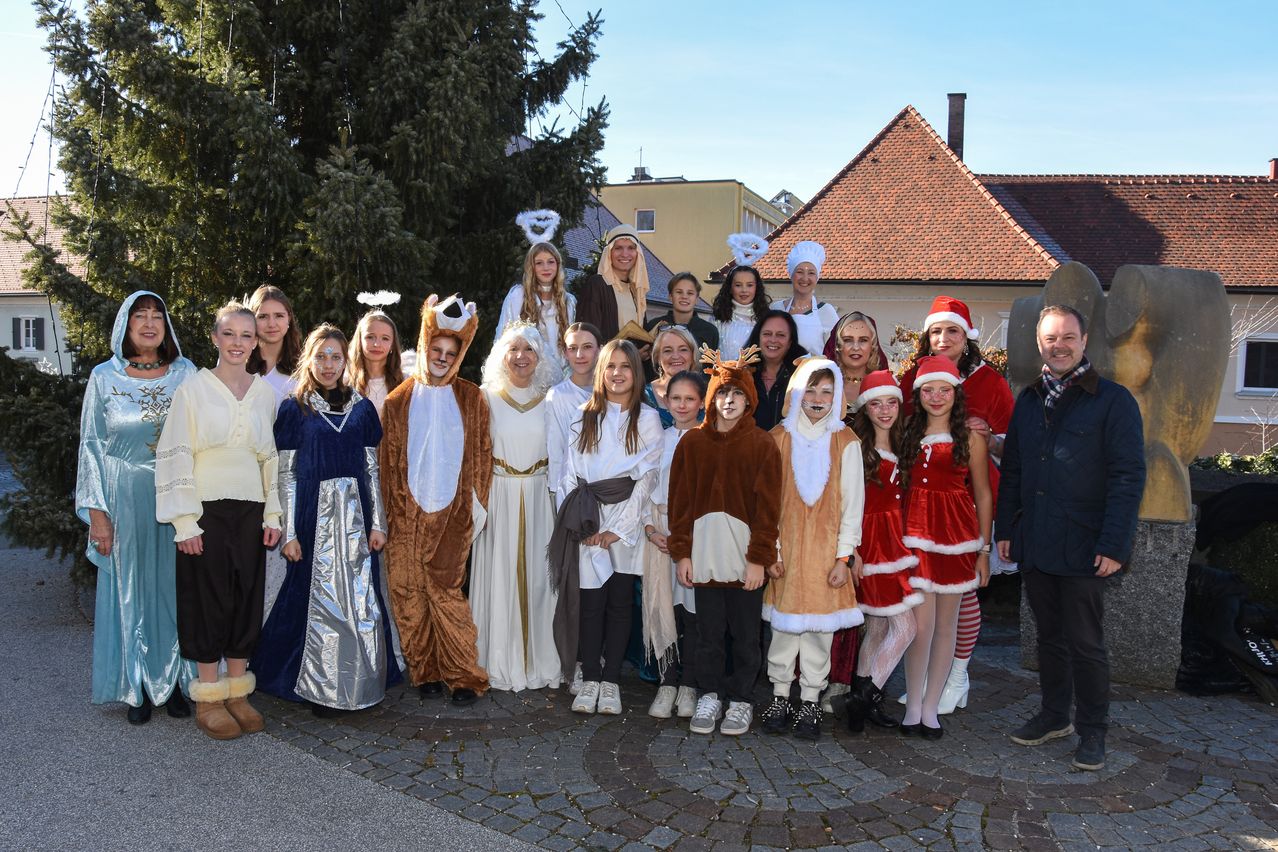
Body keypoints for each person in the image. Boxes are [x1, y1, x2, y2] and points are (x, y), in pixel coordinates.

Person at [1000, 305, 1145, 772]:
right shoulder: (1028, 398)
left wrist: (1114, 543)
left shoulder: (1113, 400)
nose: (1057, 346)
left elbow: (1127, 476)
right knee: (1049, 638)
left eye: (1067, 337)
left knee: (1086, 643)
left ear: (1084, 341)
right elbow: (1015, 471)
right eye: (1049, 339)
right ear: (1038, 344)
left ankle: (1094, 731)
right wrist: (1007, 530)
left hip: (1086, 545)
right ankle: (1053, 715)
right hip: (1038, 539)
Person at [252, 325, 400, 715]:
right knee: (312, 600)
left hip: (355, 518)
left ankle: (359, 677)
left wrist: (378, 523)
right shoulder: (294, 410)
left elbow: (371, 470)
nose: (329, 365)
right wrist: (290, 533)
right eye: (321, 356)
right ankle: (317, 683)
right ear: (309, 360)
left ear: (345, 360)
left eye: (336, 357)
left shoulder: (363, 409)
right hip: (312, 518)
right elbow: (286, 474)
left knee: (361, 600)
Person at [155, 301, 282, 740]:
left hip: (250, 509)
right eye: (229, 334)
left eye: (247, 336)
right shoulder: (193, 389)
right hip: (205, 508)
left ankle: (238, 692)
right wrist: (185, 522)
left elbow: (270, 459)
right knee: (206, 598)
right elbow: (174, 454)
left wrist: (273, 511)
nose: (238, 343)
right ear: (214, 338)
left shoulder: (264, 393)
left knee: (245, 597)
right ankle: (209, 696)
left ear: (256, 341)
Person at [76, 291, 198, 725]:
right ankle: (138, 686)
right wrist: (97, 513)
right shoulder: (103, 378)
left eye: (157, 317)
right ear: (125, 326)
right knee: (130, 592)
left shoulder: (186, 374)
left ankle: (179, 683)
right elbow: (91, 445)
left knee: (176, 589)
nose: (149, 324)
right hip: (123, 496)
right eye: (139, 317)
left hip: (178, 495)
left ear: (167, 327)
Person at [899, 295, 1014, 714]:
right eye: (936, 330)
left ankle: (956, 676)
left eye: (952, 331)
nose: (943, 338)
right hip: (921, 516)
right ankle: (928, 683)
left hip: (966, 512)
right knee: (926, 610)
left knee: (962, 601)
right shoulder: (914, 379)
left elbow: (1013, 443)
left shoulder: (990, 383)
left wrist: (988, 436)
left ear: (967, 337)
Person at [380, 294, 493, 707]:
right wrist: (390, 516)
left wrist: (475, 510)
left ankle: (464, 674)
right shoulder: (397, 401)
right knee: (407, 593)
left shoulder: (471, 397)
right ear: (425, 346)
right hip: (406, 514)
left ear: (461, 353)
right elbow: (388, 463)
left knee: (446, 593)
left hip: (453, 513)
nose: (443, 358)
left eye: (452, 351)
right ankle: (423, 668)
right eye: (436, 349)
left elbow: (481, 457)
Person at [668, 345, 782, 737]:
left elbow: (769, 511)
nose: (728, 401)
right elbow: (679, 506)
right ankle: (710, 693)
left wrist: (759, 559)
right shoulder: (692, 445)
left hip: (744, 559)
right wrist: (682, 553)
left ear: (749, 398)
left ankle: (741, 700)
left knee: (747, 636)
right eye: (721, 393)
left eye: (736, 394)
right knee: (707, 632)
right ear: (711, 398)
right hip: (704, 557)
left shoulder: (762, 444)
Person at [549, 340, 663, 716]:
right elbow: (570, 474)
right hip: (589, 521)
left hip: (623, 525)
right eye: (610, 366)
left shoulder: (645, 418)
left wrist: (618, 529)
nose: (617, 373)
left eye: (625, 366)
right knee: (590, 605)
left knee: (618, 603)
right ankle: (592, 675)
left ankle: (612, 680)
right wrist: (584, 524)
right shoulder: (584, 416)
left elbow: (646, 477)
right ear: (601, 371)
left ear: (636, 372)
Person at [759, 358, 865, 741]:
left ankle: (810, 700)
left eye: (827, 391)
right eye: (812, 390)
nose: (818, 398)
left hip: (825, 558)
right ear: (797, 394)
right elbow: (767, 504)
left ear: (837, 396)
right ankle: (780, 695)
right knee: (784, 631)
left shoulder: (845, 442)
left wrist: (844, 557)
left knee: (819, 633)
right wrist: (772, 551)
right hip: (786, 553)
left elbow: (853, 506)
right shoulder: (778, 439)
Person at [897, 356, 992, 740]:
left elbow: (983, 494)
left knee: (945, 626)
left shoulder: (971, 438)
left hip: (955, 538)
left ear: (956, 393)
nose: (936, 397)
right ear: (919, 395)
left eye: (944, 390)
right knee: (920, 626)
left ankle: (932, 706)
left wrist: (983, 551)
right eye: (929, 390)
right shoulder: (907, 433)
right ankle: (915, 702)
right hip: (914, 535)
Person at [471, 322, 562, 692]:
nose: (521, 357)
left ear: (540, 357)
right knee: (500, 576)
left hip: (542, 495)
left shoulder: (553, 399)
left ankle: (543, 657)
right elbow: (473, 455)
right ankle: (498, 658)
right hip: (501, 496)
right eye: (514, 349)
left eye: (529, 350)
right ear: (501, 355)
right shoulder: (486, 397)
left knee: (541, 581)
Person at [843, 371, 923, 732]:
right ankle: (863, 698)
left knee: (877, 624)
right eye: (876, 403)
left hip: (896, 540)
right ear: (865, 409)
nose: (885, 410)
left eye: (891, 402)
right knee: (905, 627)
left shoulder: (905, 444)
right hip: (871, 543)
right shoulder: (857, 448)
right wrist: (851, 551)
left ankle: (861, 695)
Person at [822, 310, 891, 706]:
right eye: (848, 339)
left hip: (872, 503)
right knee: (830, 586)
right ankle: (821, 673)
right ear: (837, 343)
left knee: (864, 598)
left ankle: (853, 678)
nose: (855, 347)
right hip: (829, 502)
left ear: (874, 345)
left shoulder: (883, 388)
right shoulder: (823, 384)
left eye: (863, 340)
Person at [643, 369, 707, 719]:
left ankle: (690, 685)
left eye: (690, 399)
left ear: (701, 403)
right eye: (676, 398)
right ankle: (667, 682)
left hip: (696, 537)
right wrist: (652, 530)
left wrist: (689, 538)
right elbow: (643, 486)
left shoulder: (709, 440)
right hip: (660, 531)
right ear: (666, 401)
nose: (682, 405)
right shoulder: (658, 439)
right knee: (662, 608)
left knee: (692, 614)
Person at [543, 321, 602, 695]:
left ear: (599, 350)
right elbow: (556, 455)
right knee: (575, 583)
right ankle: (576, 662)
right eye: (572, 347)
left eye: (587, 347)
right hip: (572, 500)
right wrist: (562, 505)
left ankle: (602, 658)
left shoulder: (610, 390)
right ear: (564, 353)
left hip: (607, 497)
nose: (580, 354)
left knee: (603, 584)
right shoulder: (557, 397)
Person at [495, 239, 576, 379]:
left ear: (558, 265)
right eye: (539, 263)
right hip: (525, 377)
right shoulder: (518, 295)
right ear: (531, 267)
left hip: (560, 380)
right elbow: (503, 338)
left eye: (551, 262)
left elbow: (572, 344)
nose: (546, 267)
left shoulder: (568, 301)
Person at [575, 225, 649, 344]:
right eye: (618, 248)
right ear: (609, 252)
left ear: (638, 253)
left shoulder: (636, 291)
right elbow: (588, 338)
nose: (625, 254)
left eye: (631, 248)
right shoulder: (597, 285)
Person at [772, 241, 838, 356]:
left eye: (811, 273)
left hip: (814, 373)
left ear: (817, 278)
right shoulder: (776, 308)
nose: (805, 278)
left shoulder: (826, 311)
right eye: (799, 272)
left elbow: (836, 353)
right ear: (791, 275)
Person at [746, 310, 808, 432]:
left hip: (789, 448)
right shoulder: (742, 373)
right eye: (767, 334)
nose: (773, 340)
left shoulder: (803, 375)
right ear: (758, 337)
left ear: (790, 342)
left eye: (781, 335)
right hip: (750, 448)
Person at [246, 284, 302, 411]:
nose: (272, 324)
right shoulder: (238, 368)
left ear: (289, 319)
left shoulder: (304, 369)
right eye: (263, 316)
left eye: (279, 315)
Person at [347, 296, 406, 418]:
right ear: (360, 340)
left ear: (392, 345)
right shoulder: (345, 382)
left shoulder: (405, 383)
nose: (377, 344)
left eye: (385, 338)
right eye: (370, 337)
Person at [644, 272, 719, 351]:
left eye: (690, 293)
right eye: (679, 292)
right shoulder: (654, 326)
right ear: (670, 296)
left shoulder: (709, 331)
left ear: (697, 299)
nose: (684, 297)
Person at [643, 324, 699, 428]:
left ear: (692, 355)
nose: (676, 356)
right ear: (658, 358)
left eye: (683, 349)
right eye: (668, 351)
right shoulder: (643, 396)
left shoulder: (707, 393)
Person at [710, 264, 770, 361]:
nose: (744, 290)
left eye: (749, 285)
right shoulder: (717, 317)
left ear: (757, 287)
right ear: (730, 288)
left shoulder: (766, 319)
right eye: (738, 285)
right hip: (722, 374)